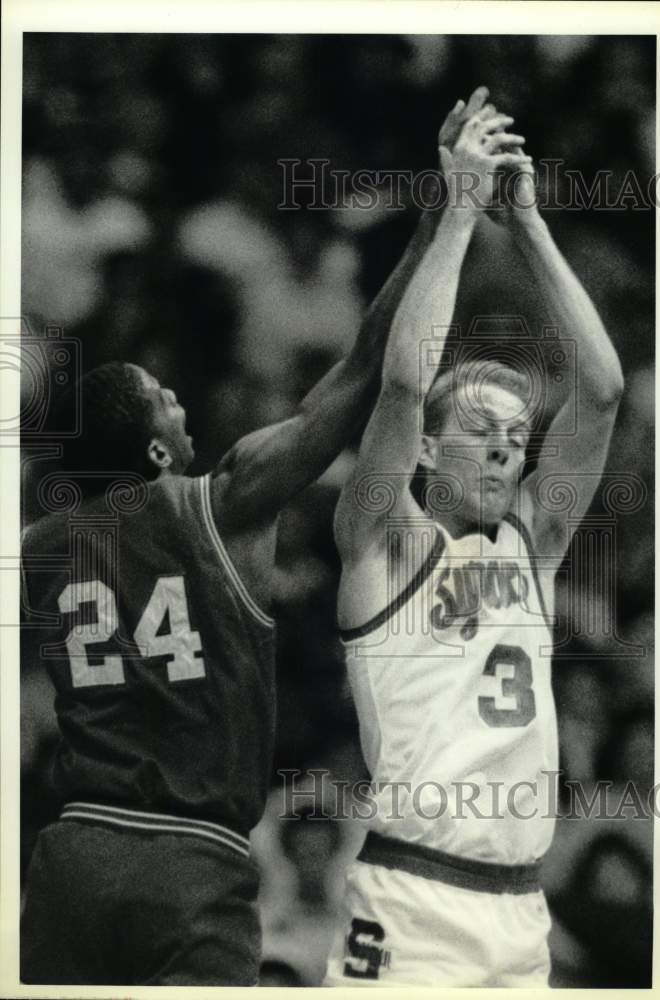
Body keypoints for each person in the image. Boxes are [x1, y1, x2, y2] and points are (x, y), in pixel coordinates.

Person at [19, 90, 494, 987]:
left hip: (70, 849)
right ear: (156, 445)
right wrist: (439, 217)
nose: (183, 397)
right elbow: (357, 374)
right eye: (166, 395)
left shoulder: (42, 544)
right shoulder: (222, 499)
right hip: (186, 858)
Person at [323, 99, 624, 987]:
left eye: (516, 435)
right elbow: (407, 379)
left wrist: (526, 222)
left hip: (522, 906)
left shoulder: (530, 549)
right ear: (425, 450)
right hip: (414, 897)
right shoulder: (383, 541)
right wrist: (460, 208)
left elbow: (601, 389)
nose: (506, 446)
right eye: (482, 430)